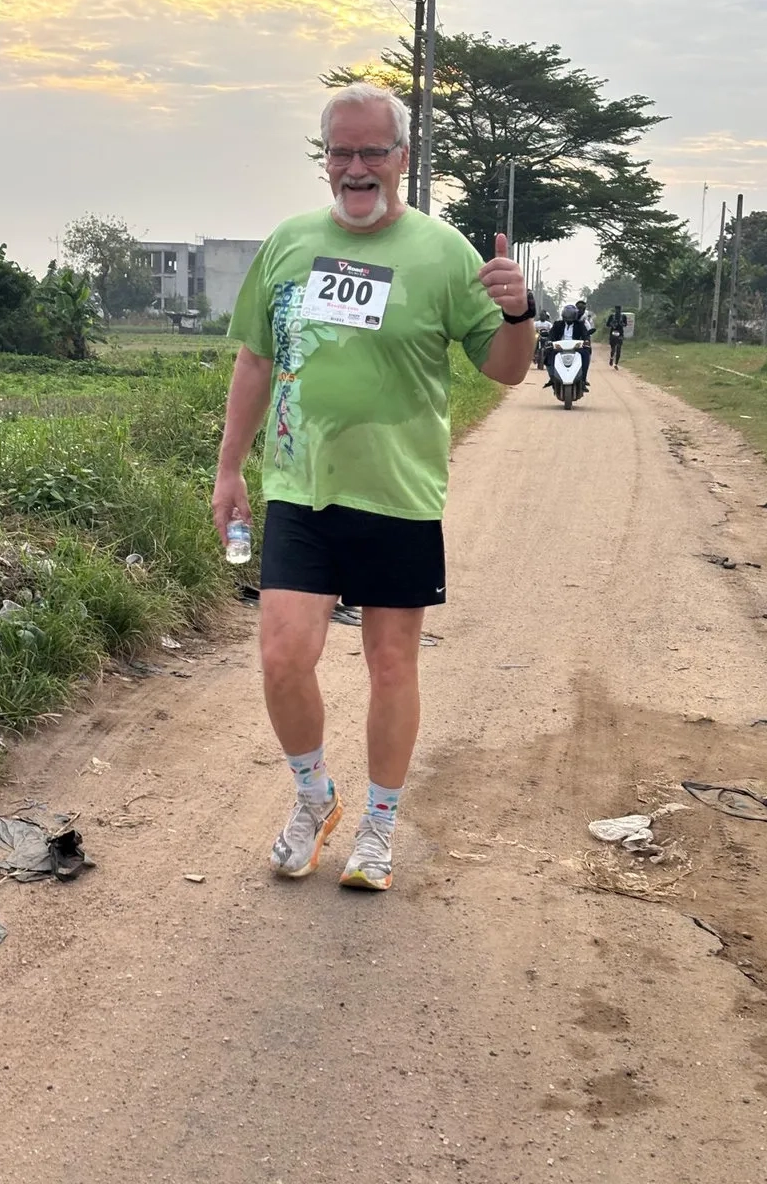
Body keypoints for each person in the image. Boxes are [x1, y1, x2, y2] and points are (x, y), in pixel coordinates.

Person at [211, 83, 536, 891]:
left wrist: (520, 312)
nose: (357, 169)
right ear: (326, 161)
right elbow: (255, 358)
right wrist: (229, 468)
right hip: (300, 487)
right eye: (342, 153)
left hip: (397, 494)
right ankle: (314, 797)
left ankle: (380, 828)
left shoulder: (444, 253)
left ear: (403, 159)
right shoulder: (289, 243)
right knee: (284, 655)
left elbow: (502, 372)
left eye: (373, 153)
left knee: (392, 666)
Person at [544, 304, 592, 390]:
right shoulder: (557, 324)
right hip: (559, 348)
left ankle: (583, 380)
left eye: (571, 315)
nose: (569, 318)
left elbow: (585, 335)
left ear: (575, 316)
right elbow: (551, 334)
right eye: (567, 315)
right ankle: (552, 377)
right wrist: (549, 341)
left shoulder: (580, 325)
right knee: (548, 354)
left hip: (576, 348)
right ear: (563, 315)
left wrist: (587, 341)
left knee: (585, 354)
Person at [606, 304, 627, 368]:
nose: (618, 311)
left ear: (621, 310)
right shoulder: (612, 316)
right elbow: (607, 324)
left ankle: (616, 364)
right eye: (617, 310)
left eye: (619, 310)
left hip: (620, 333)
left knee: (619, 348)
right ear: (615, 310)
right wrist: (612, 324)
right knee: (613, 348)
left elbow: (625, 324)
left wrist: (621, 324)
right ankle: (612, 358)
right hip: (613, 333)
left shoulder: (623, 316)